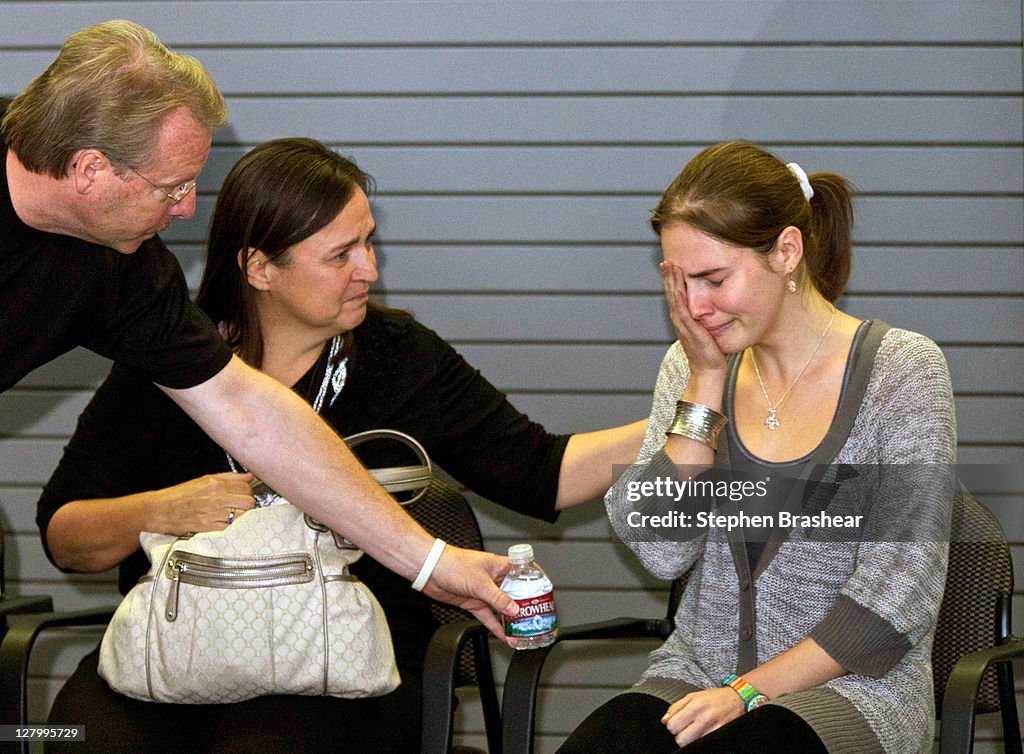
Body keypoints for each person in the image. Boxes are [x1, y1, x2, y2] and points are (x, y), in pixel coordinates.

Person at [36, 136, 645, 752]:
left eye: (368, 241)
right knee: (61, 736)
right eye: (340, 255)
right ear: (259, 268)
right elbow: (64, 536)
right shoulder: (167, 355)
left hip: (350, 664)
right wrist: (162, 510)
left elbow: (544, 471)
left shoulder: (400, 356)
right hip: (171, 657)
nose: (371, 271)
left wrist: (689, 419)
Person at [0, 19, 518, 628]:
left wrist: (430, 563)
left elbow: (252, 411)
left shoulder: (125, 269)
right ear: (91, 171)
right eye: (172, 187)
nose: (189, 208)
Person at [557, 141, 955, 754]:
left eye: (714, 279)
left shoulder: (901, 372)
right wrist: (706, 387)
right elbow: (660, 553)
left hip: (852, 693)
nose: (694, 307)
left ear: (787, 252)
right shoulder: (689, 370)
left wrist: (747, 693)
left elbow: (894, 603)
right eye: (680, 283)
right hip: (695, 679)